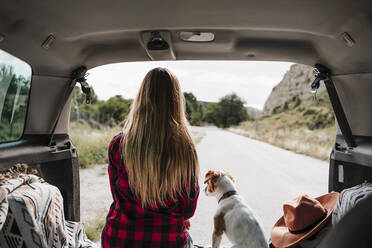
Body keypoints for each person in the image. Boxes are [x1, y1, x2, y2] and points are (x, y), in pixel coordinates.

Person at [101, 68, 200, 248]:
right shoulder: (186, 149)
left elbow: (117, 197)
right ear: (176, 102)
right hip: (167, 241)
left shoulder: (119, 144)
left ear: (141, 98)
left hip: (118, 239)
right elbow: (188, 209)